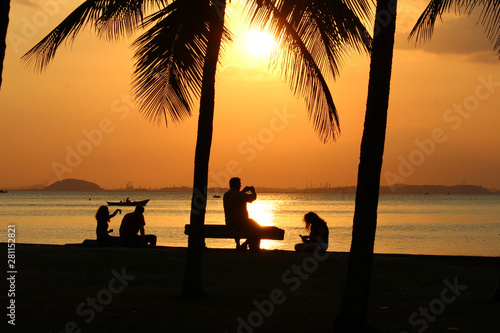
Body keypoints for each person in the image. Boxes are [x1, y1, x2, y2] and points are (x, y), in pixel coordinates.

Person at [223, 177, 262, 251]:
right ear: (236, 185)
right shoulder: (238, 194)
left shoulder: (226, 195)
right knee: (258, 229)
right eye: (239, 184)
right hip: (242, 222)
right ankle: (245, 244)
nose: (240, 185)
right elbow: (252, 198)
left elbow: (238, 197)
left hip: (229, 222)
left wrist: (243, 191)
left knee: (239, 229)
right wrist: (253, 191)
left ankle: (238, 245)